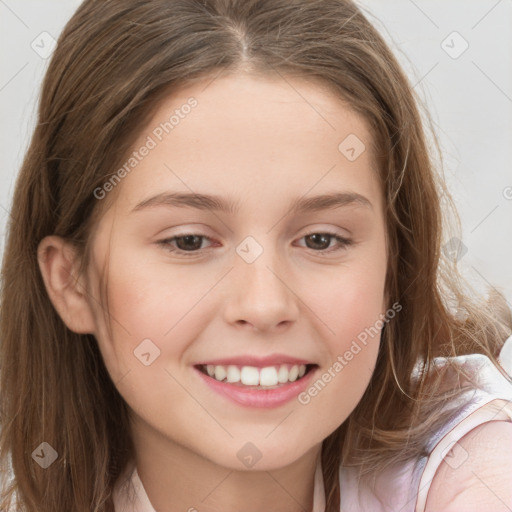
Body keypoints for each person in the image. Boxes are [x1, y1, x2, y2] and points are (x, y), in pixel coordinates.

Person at [1, 1, 511, 511]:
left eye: (320, 240)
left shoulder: (477, 472)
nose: (265, 305)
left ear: (394, 268)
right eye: (189, 241)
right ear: (73, 283)